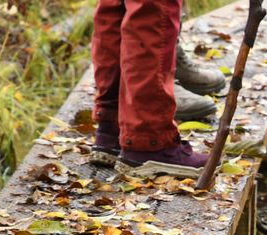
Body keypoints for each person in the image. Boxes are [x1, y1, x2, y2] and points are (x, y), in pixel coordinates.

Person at [90, 0, 210, 177]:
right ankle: (149, 139)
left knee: (116, 5)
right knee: (153, 10)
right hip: (148, 134)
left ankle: (113, 127)